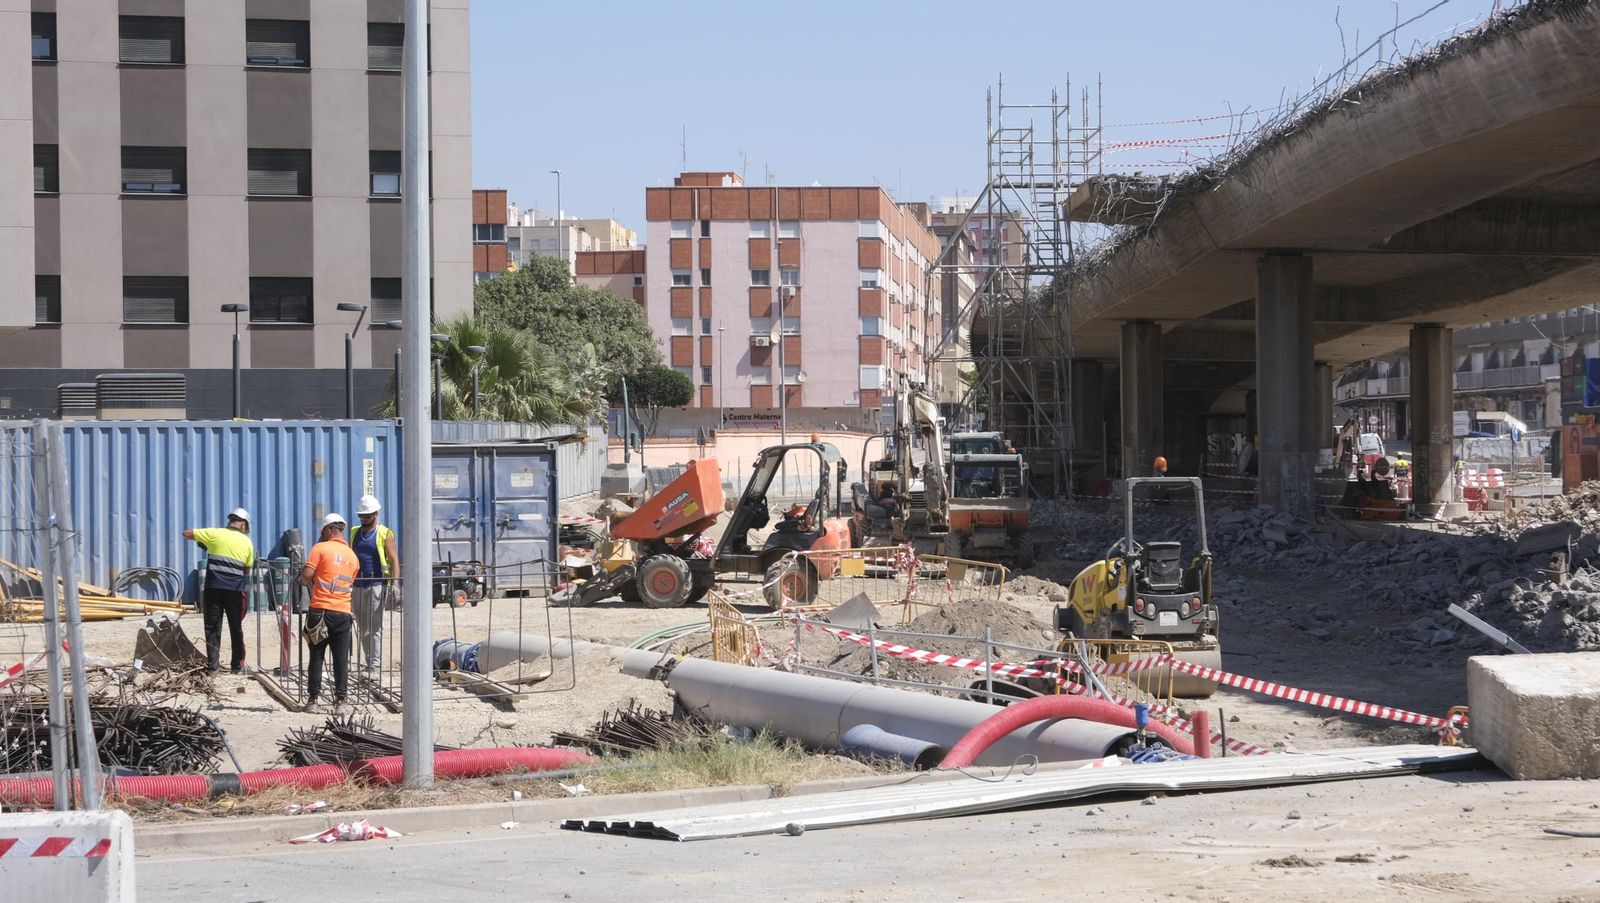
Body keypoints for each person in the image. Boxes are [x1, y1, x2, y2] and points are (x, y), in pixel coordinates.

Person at [183, 508, 255, 674]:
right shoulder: (247, 542)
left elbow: (186, 533)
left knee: (212, 628)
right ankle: (237, 666)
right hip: (235, 591)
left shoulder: (214, 534)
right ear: (243, 525)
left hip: (213, 590)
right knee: (236, 628)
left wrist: (202, 540)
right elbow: (246, 570)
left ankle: (213, 667)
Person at [300, 513, 359, 713]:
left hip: (320, 611)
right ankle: (341, 701)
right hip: (343, 612)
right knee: (341, 658)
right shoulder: (353, 556)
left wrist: (307, 576)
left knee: (317, 656)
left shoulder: (320, 548)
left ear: (327, 530)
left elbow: (306, 578)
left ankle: (313, 701)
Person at [349, 494, 400, 677]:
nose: (363, 519)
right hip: (357, 584)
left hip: (376, 584)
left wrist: (394, 585)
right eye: (361, 516)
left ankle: (375, 666)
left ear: (375, 514)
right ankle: (368, 662)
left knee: (374, 626)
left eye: (367, 516)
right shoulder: (355, 532)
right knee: (362, 626)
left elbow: (394, 561)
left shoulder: (385, 533)